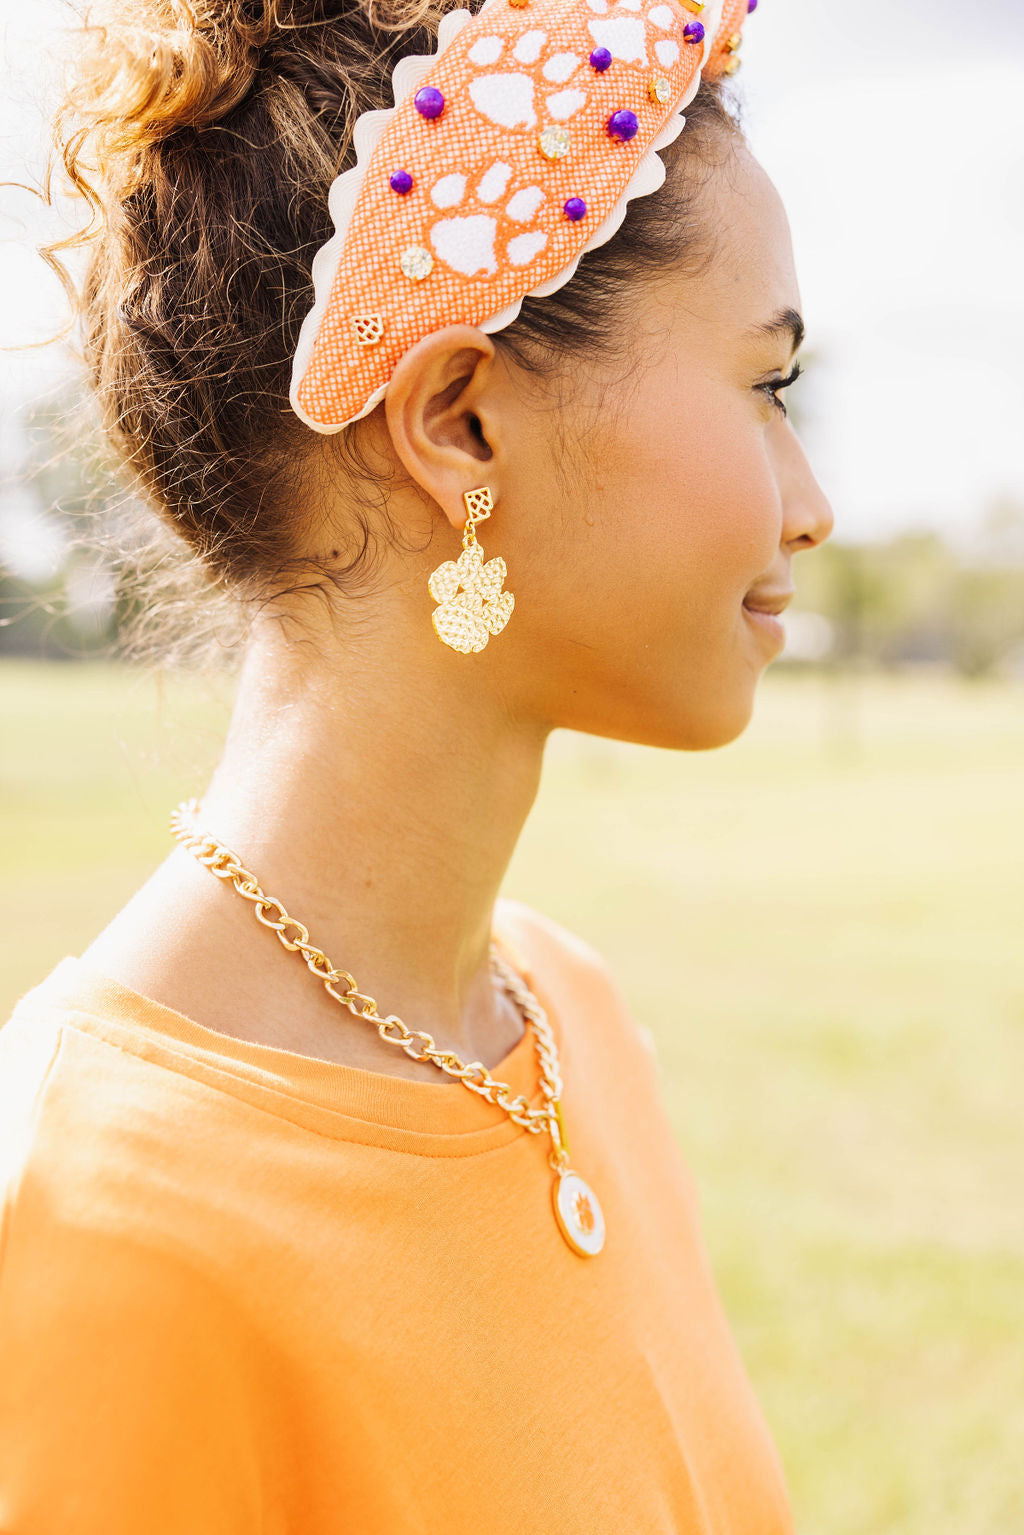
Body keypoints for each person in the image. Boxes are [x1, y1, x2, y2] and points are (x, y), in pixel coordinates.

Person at [0, 0, 833, 1529]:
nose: (812, 504)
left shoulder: (563, 1018)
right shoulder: (91, 1220)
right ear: (458, 422)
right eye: (767, 387)